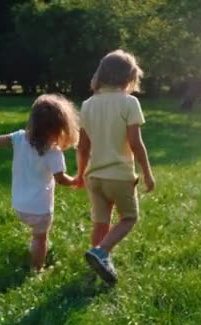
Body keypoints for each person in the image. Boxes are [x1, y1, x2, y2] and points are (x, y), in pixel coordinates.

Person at [0, 94, 79, 271]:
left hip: (19, 205)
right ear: (60, 127)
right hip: (40, 209)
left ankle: (34, 249)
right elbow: (61, 179)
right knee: (40, 238)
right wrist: (76, 181)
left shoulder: (19, 138)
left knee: (37, 235)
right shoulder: (53, 153)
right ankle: (37, 269)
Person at [74, 49, 155, 285]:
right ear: (129, 77)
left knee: (101, 223)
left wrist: (80, 175)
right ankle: (102, 253)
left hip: (94, 177)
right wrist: (148, 174)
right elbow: (136, 144)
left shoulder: (88, 105)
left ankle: (95, 266)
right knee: (129, 218)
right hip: (119, 176)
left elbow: (82, 147)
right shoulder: (129, 103)